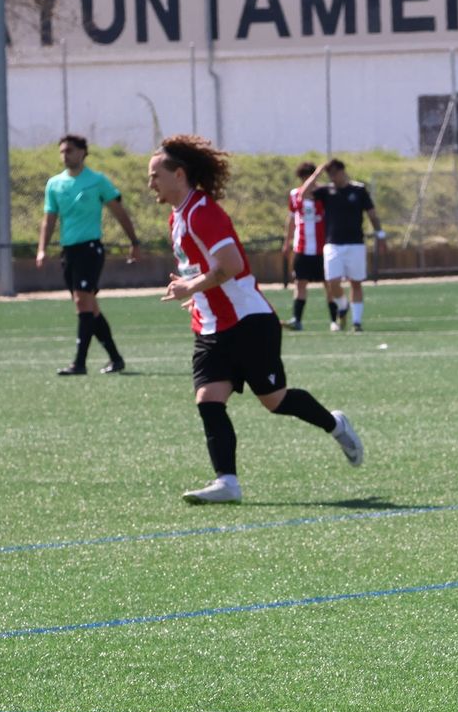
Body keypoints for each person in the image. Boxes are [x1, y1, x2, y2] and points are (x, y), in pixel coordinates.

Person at [147, 134, 364, 504]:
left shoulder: (202, 212)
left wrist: (190, 287)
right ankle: (227, 483)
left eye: (155, 175)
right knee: (208, 399)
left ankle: (335, 424)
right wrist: (196, 294)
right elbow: (205, 268)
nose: (150, 182)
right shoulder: (178, 216)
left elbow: (231, 265)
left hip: (248, 322)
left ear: (179, 175)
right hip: (211, 326)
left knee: (275, 401)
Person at [36, 134, 140, 375]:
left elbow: (118, 211)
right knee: (89, 307)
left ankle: (79, 363)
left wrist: (134, 241)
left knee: (82, 302)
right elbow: (49, 219)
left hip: (90, 249)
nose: (65, 155)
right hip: (68, 251)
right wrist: (42, 248)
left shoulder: (97, 181)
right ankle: (116, 358)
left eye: (70, 150)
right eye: (62, 151)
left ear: (83, 152)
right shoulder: (54, 184)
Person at [301, 158, 386, 333]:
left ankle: (356, 322)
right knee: (332, 281)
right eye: (329, 174)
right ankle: (343, 305)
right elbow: (304, 194)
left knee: (356, 283)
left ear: (342, 171)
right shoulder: (326, 191)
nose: (332, 177)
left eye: (334, 173)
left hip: (355, 244)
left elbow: (372, 214)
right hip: (333, 244)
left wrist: (380, 234)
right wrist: (317, 173)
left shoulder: (358, 190)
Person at [283, 161, 334, 331]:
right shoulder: (295, 194)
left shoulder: (325, 193)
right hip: (302, 246)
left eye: (309, 177)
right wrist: (287, 241)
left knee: (328, 283)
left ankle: (334, 320)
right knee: (300, 282)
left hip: (323, 247)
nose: (307, 181)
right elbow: (291, 219)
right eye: (304, 178)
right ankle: (297, 320)